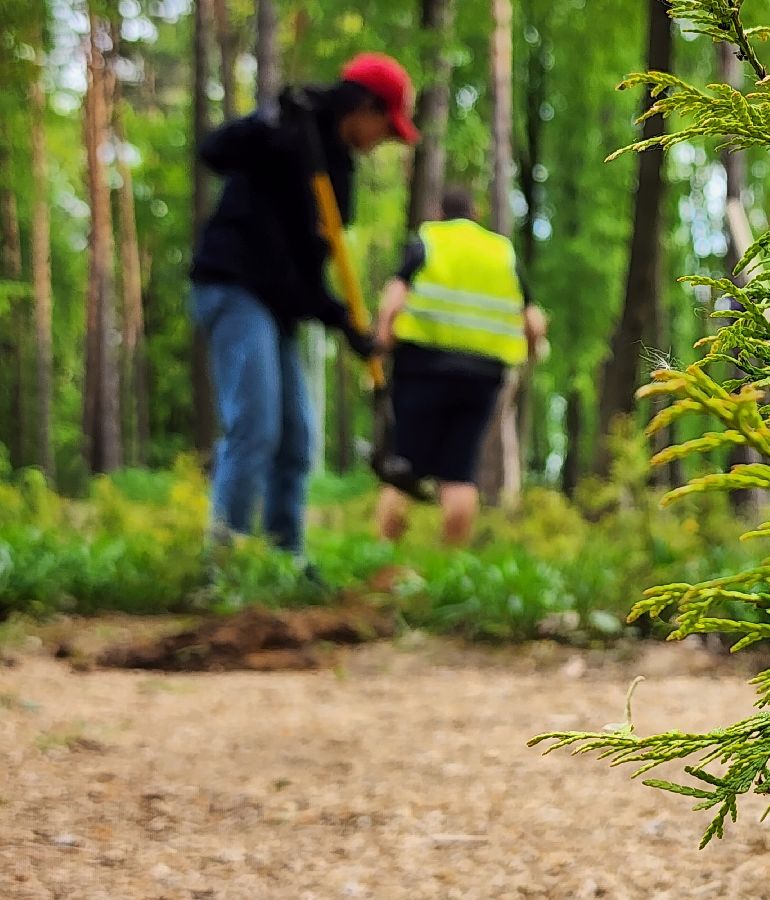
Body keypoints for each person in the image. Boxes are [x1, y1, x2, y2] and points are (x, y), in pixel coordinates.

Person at [189, 54, 419, 566]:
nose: (384, 140)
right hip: (233, 285)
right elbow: (215, 151)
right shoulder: (290, 128)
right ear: (365, 106)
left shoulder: (336, 171)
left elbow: (305, 274)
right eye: (386, 127)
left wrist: (345, 322)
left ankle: (283, 558)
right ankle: (223, 562)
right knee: (255, 425)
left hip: (278, 306)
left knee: (296, 439)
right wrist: (266, 119)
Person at [373, 187, 547, 547]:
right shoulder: (502, 253)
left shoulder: (427, 242)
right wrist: (528, 357)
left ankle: (384, 560)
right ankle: (450, 567)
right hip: (482, 377)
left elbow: (391, 304)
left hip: (421, 370)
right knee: (460, 472)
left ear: (440, 212)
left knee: (403, 467)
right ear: (477, 213)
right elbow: (534, 323)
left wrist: (380, 349)